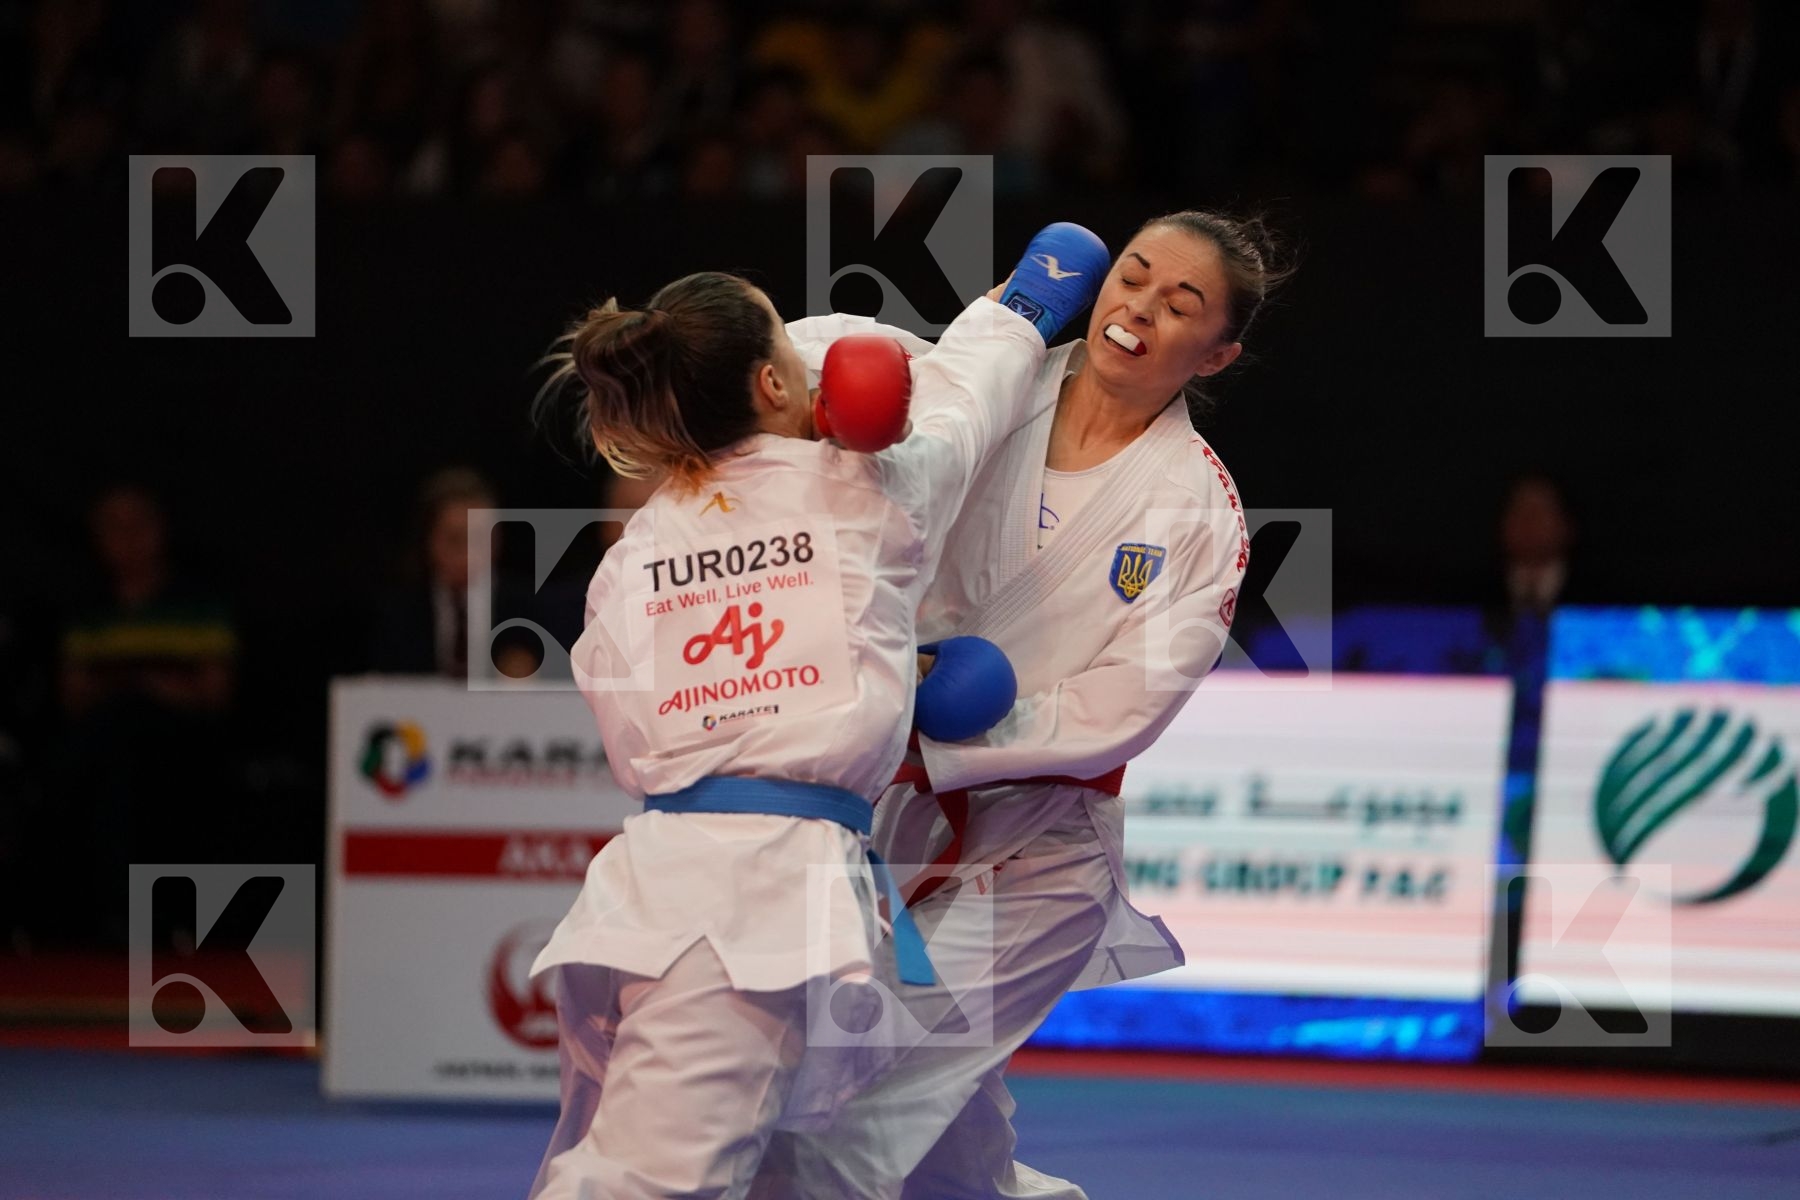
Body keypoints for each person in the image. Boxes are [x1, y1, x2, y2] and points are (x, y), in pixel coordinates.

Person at [526, 224, 1112, 1199]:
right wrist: (1029, 304)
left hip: (641, 889)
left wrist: (872, 681)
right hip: (751, 901)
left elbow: (624, 715)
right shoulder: (865, 483)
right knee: (648, 1182)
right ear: (770, 387)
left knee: (852, 1141)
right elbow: (967, 394)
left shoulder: (643, 539)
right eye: (790, 354)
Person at [752, 209, 1286, 1199]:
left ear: (1215, 356)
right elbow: (819, 360)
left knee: (835, 1129)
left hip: (1038, 865)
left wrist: (942, 721)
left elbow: (1127, 705)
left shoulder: (1199, 513)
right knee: (953, 1170)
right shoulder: (988, 376)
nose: (1140, 309)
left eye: (1182, 306)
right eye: (1133, 275)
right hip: (888, 830)